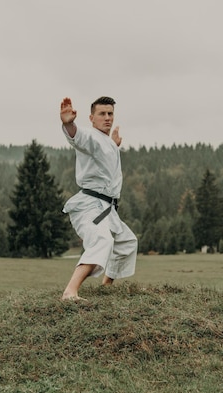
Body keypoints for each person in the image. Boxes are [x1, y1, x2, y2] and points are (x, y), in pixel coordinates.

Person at [60, 96, 138, 300]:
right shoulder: (91, 137)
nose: (107, 118)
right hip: (90, 206)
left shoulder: (105, 141)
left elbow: (105, 156)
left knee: (127, 243)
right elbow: (78, 137)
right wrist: (69, 124)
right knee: (101, 240)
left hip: (106, 208)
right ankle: (70, 291)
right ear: (91, 118)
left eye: (110, 114)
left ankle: (106, 287)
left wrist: (114, 145)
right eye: (102, 114)